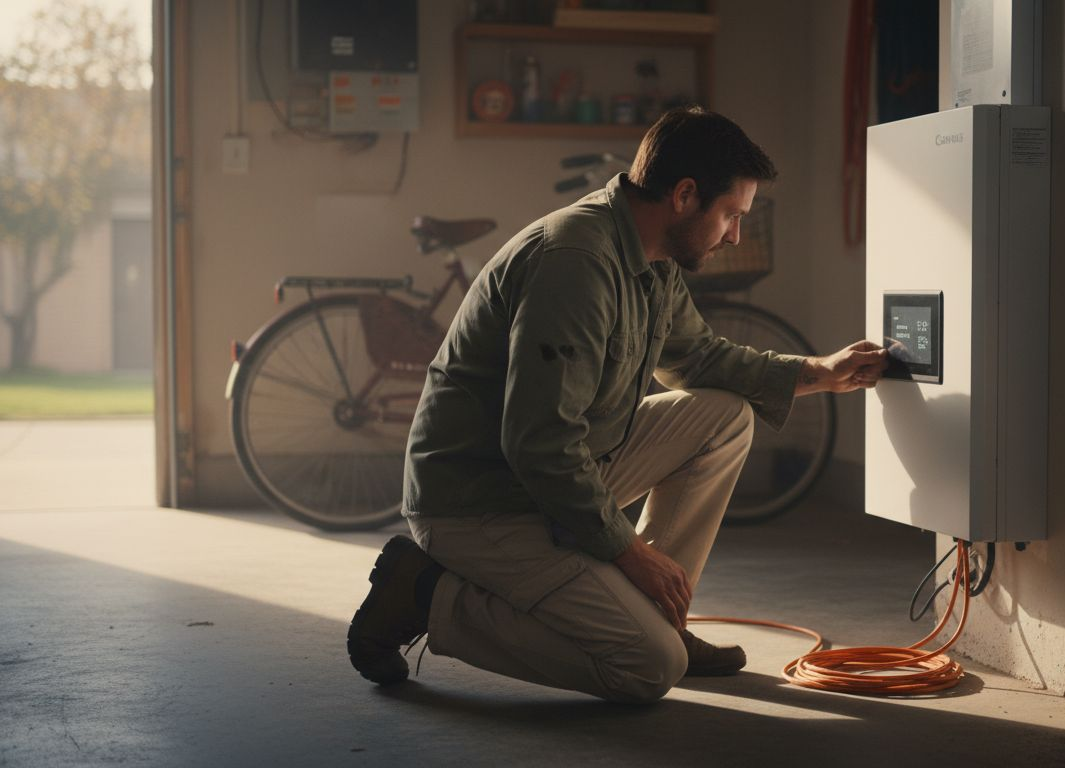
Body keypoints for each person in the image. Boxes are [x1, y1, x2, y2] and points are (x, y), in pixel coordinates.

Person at [347, 107, 888, 703]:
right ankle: (423, 594)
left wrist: (820, 372)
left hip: (550, 471)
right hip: (481, 502)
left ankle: (664, 621)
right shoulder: (575, 263)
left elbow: (701, 359)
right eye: (731, 214)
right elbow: (540, 445)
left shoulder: (651, 256)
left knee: (725, 417)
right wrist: (630, 554)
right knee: (645, 668)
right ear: (685, 195)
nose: (736, 233)